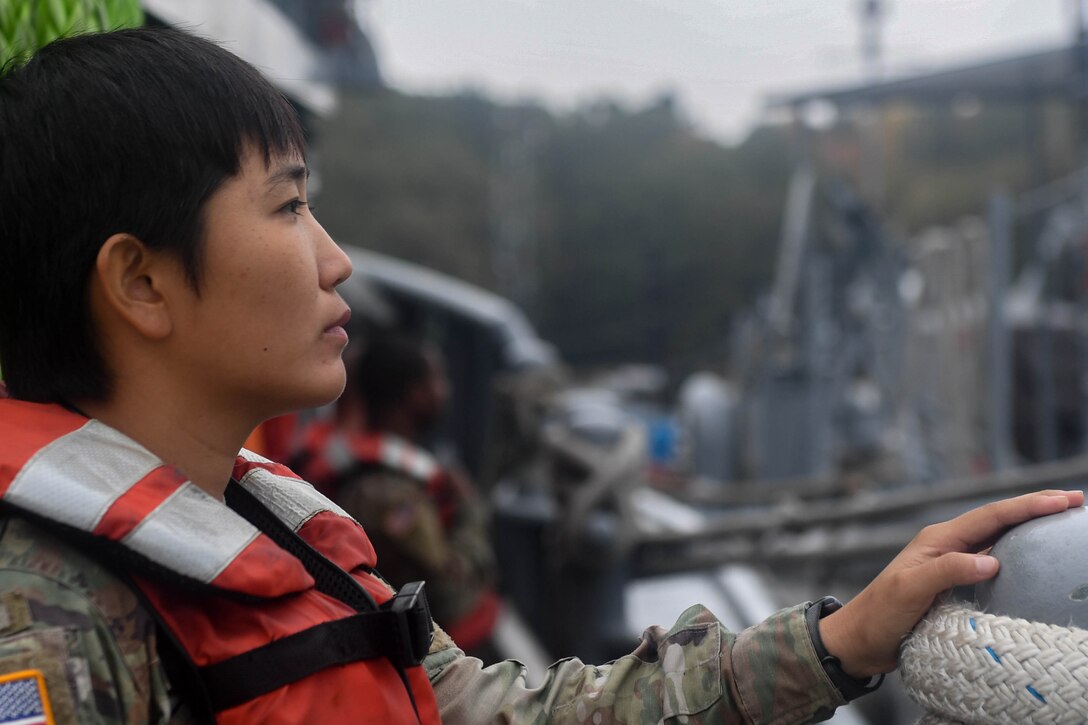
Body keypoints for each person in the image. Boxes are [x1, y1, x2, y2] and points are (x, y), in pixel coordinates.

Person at [0, 26, 1082, 724]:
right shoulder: (45, 625)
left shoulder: (272, 531)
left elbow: (504, 714)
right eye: (287, 206)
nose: (333, 256)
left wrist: (843, 635)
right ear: (140, 282)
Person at [294, 334, 502, 662]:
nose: (445, 390)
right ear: (414, 394)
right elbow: (447, 590)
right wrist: (469, 512)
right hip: (443, 663)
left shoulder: (385, 468)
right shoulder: (388, 493)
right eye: (437, 379)